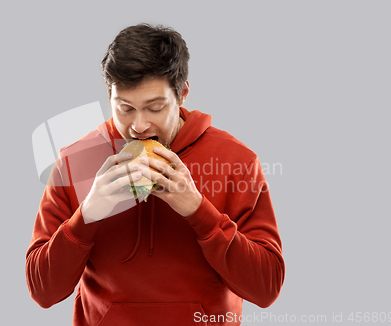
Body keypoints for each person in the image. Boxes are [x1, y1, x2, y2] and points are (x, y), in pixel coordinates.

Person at [26, 23, 285, 326]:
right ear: (109, 96)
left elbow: (266, 289)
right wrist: (87, 216)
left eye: (155, 107)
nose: (138, 126)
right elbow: (43, 293)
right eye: (124, 108)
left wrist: (198, 211)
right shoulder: (74, 161)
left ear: (183, 93)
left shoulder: (237, 161)